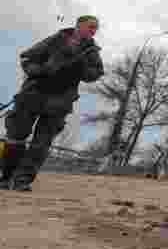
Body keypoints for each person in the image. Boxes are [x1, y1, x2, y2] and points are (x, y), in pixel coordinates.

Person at [2, 16, 104, 191]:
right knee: (16, 136)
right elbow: (27, 58)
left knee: (41, 143)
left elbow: (96, 73)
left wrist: (82, 69)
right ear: (79, 26)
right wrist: (40, 70)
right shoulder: (56, 40)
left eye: (96, 28)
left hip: (60, 101)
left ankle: (22, 181)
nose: (93, 31)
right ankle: (6, 177)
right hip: (33, 94)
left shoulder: (91, 51)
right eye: (90, 27)